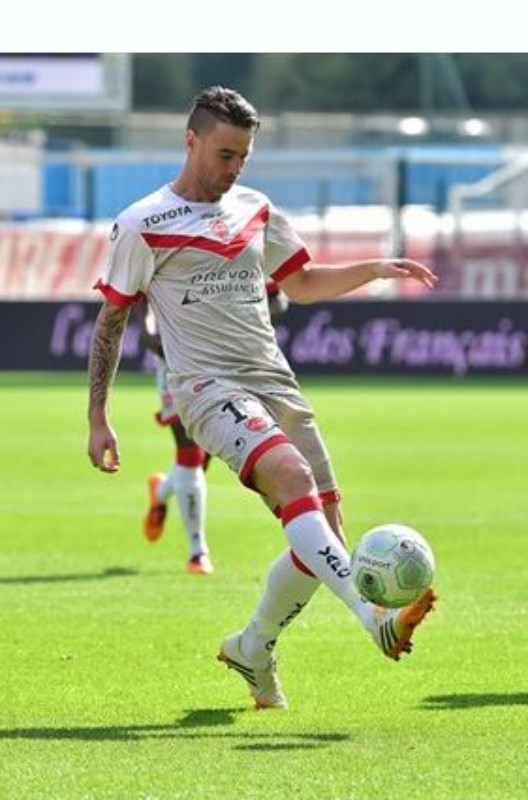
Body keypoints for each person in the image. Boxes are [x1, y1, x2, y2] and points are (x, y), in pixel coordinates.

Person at [88, 86, 438, 711]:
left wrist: (374, 268)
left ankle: (253, 647)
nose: (233, 170)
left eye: (243, 157)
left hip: (275, 382)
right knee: (289, 473)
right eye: (225, 154)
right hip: (206, 388)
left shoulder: (255, 207)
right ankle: (371, 618)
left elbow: (299, 283)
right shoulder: (142, 224)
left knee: (322, 535)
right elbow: (111, 323)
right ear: (191, 140)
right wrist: (98, 416)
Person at [138, 280, 289, 577]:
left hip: (233, 359)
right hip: (179, 363)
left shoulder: (243, 238)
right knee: (189, 454)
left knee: (212, 452)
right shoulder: (164, 239)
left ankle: (163, 491)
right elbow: (145, 307)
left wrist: (241, 324)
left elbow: (278, 298)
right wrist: (153, 335)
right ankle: (198, 551)